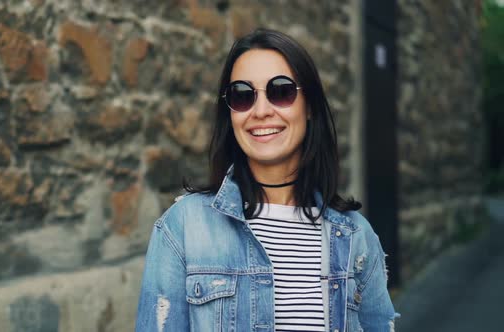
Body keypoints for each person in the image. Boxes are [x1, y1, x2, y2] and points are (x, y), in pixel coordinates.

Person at [135, 28, 397, 332]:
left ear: (309, 105)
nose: (260, 111)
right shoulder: (182, 229)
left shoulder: (356, 237)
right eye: (243, 95)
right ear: (229, 112)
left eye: (281, 91)